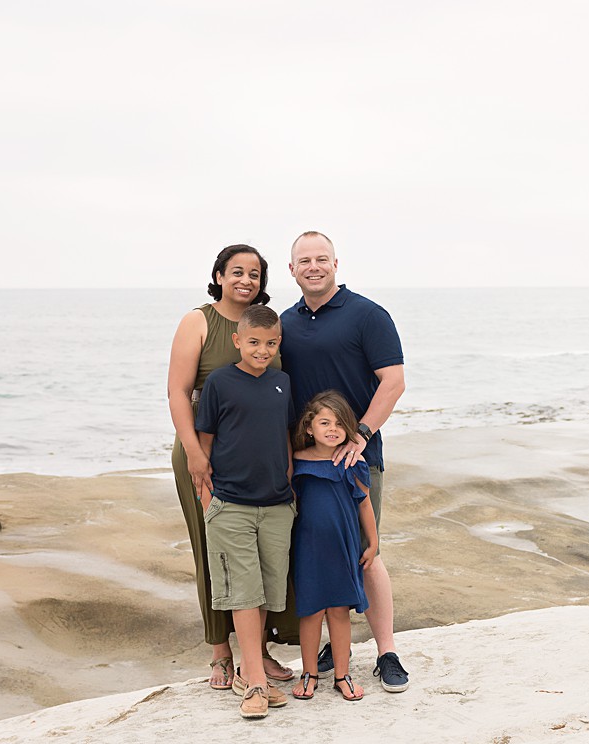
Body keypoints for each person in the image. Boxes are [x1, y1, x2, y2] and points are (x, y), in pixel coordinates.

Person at [280, 230, 410, 693]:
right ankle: (332, 654)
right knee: (314, 553)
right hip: (305, 467)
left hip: (355, 459)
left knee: (365, 553)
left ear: (337, 264)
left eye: (322, 258)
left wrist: (362, 433)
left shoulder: (367, 315)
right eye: (304, 260)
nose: (313, 266)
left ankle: (387, 652)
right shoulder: (284, 324)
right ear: (291, 269)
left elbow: (392, 381)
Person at [166, 244, 296, 693]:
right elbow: (178, 392)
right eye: (236, 271)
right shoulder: (198, 321)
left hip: (258, 457)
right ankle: (221, 653)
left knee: (257, 558)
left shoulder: (267, 326)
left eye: (255, 274)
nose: (246, 280)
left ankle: (255, 653)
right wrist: (195, 454)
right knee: (213, 550)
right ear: (219, 275)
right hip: (201, 450)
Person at [194, 304, 295, 718]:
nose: (262, 350)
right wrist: (209, 502)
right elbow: (204, 442)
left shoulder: (283, 383)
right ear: (237, 341)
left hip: (276, 505)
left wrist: (289, 486)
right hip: (231, 504)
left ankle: (251, 668)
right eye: (254, 342)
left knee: (269, 591)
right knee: (243, 592)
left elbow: (285, 438)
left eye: (271, 343)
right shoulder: (219, 382)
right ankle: (254, 682)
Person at [289, 390, 379, 702]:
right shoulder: (297, 461)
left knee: (339, 611)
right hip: (307, 548)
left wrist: (373, 542)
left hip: (343, 545)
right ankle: (309, 672)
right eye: (324, 422)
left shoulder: (352, 460)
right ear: (308, 427)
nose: (332, 429)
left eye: (340, 423)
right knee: (311, 611)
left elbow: (364, 505)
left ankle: (342, 674)